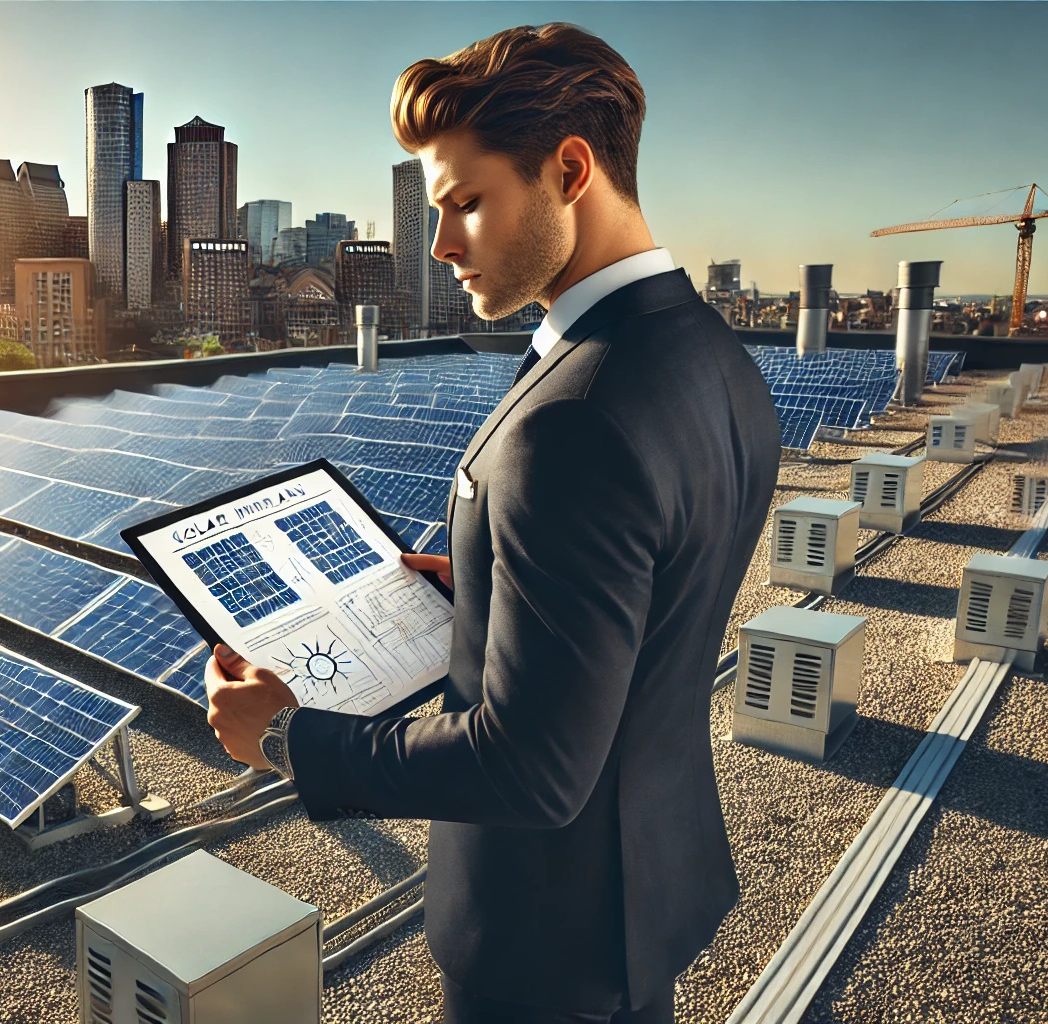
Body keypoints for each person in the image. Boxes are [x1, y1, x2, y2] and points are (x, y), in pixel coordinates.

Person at [203, 23, 781, 1024]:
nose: (439, 244)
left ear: (568, 170)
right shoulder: (710, 355)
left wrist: (290, 738)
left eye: (466, 203)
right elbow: (655, 585)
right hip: (641, 896)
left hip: (538, 941)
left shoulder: (573, 418)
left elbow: (531, 766)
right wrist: (495, 588)